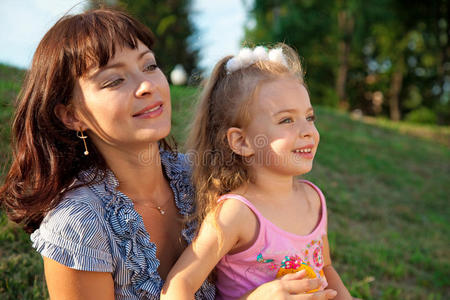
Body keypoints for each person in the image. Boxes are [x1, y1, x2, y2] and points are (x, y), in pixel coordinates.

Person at [0, 9, 337, 300]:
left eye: (149, 66)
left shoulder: (201, 178)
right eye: (114, 80)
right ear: (71, 115)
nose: (148, 86)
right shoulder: (79, 225)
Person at [161, 45, 353, 300]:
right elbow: (178, 287)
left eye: (309, 117)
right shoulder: (236, 213)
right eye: (286, 120)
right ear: (242, 142)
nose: (307, 130)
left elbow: (326, 269)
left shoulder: (313, 199)